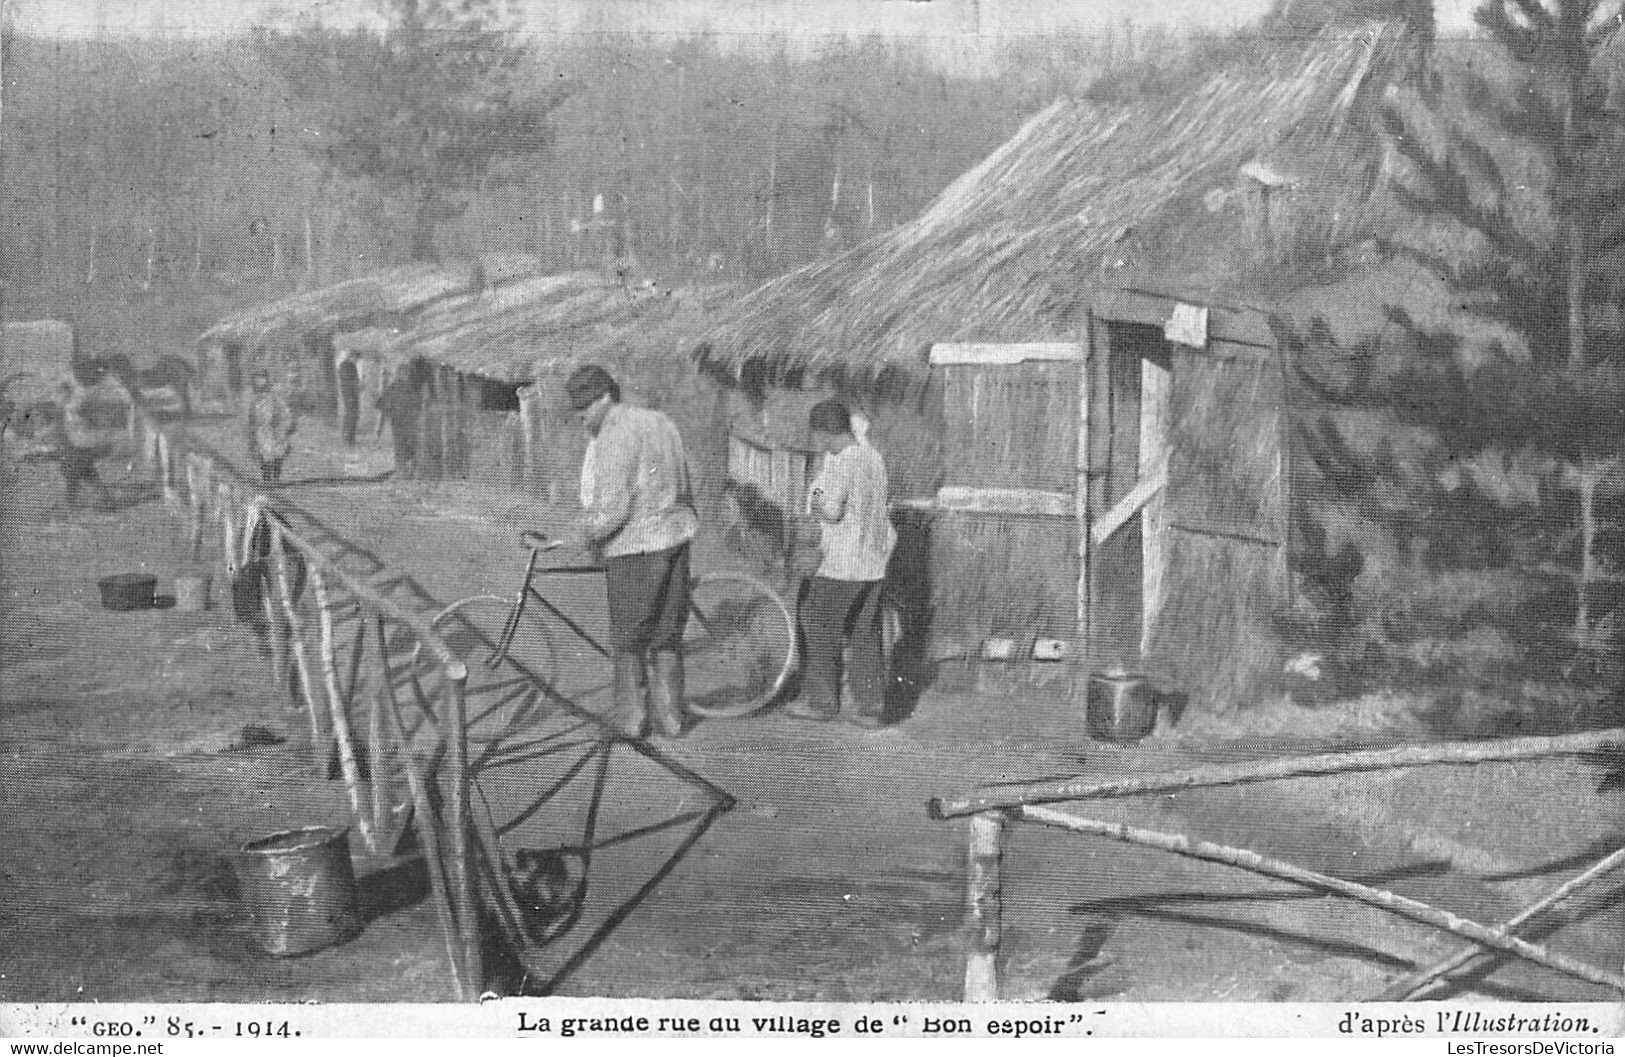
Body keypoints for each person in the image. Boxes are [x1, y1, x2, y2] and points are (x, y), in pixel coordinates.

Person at [564, 364, 699, 739]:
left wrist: (584, 535)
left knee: (628, 636)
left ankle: (630, 718)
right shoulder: (661, 421)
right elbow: (685, 481)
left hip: (636, 547)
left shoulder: (613, 433)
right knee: (667, 633)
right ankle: (671, 719)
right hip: (676, 538)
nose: (580, 416)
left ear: (605, 397)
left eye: (584, 407)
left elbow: (612, 508)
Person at [787, 400, 896, 728]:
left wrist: (814, 496)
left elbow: (831, 511)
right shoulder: (873, 457)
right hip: (874, 561)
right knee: (865, 632)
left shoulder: (839, 463)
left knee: (816, 623)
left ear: (821, 433)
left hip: (841, 563)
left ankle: (820, 702)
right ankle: (870, 707)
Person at [54, 379, 108, 508]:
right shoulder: (63, 411)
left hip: (78, 448)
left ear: (67, 395)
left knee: (82, 473)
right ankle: (100, 499)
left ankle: (103, 500)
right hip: (72, 450)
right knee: (77, 474)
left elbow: (83, 425)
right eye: (58, 395)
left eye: (61, 395)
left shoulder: (73, 410)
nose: (58, 399)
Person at [245, 369, 296, 484]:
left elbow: (282, 410)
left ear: (266, 379)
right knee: (264, 452)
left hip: (274, 428)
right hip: (261, 429)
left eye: (262, 378)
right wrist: (252, 427)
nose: (259, 381)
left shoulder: (273, 396)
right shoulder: (254, 398)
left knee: (278, 451)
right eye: (257, 378)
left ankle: (276, 477)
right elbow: (252, 415)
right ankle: (267, 479)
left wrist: (282, 424)